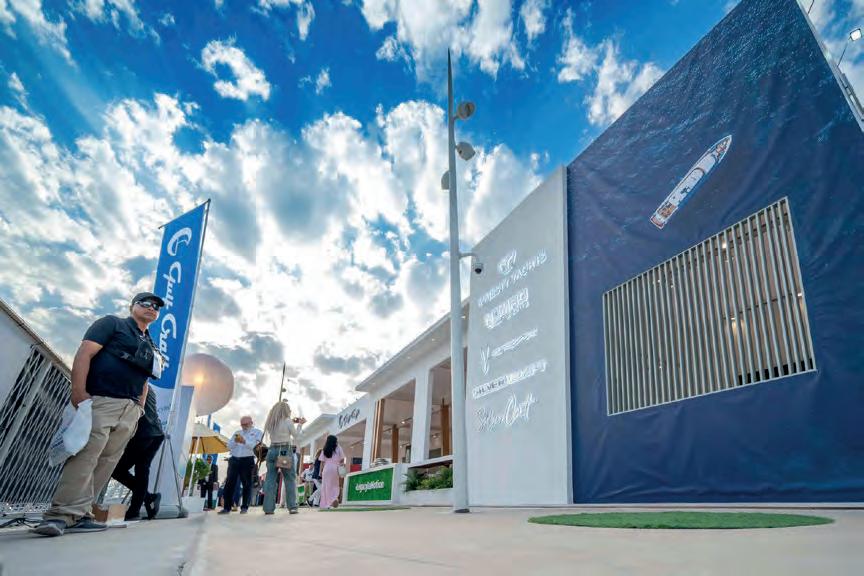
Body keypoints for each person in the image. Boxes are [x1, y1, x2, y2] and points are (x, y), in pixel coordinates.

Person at [34, 292, 165, 537]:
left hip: (129, 410)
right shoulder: (113, 324)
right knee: (86, 456)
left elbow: (145, 379)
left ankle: (82, 513)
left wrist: (139, 408)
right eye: (145, 303)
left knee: (107, 461)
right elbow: (85, 353)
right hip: (102, 400)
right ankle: (60, 515)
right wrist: (78, 391)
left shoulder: (149, 342)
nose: (151, 308)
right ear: (132, 306)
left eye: (156, 307)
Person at [110, 385, 165, 520]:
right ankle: (141, 505)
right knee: (142, 470)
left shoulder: (134, 382)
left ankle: (145, 501)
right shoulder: (147, 386)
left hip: (143, 433)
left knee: (117, 470)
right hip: (156, 433)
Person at [262, 401, 305, 515]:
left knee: (270, 479)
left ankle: (268, 508)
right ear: (286, 410)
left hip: (271, 450)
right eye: (289, 409)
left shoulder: (270, 422)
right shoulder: (287, 421)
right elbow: (296, 436)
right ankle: (292, 507)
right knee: (289, 479)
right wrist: (300, 425)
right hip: (284, 450)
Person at [219, 416, 262, 515]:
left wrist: (244, 442)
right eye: (242, 425)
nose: (244, 426)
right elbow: (229, 446)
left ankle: (244, 507)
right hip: (234, 459)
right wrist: (235, 441)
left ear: (251, 423)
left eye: (246, 424)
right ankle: (226, 508)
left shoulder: (257, 433)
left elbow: (256, 447)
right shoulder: (237, 432)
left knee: (247, 484)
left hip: (247, 459)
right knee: (229, 484)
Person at [317, 435, 344, 510]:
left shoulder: (325, 448)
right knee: (335, 485)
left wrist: (320, 472)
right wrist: (341, 466)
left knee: (326, 486)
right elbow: (342, 459)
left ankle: (326, 503)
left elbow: (322, 462)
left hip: (326, 468)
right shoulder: (338, 447)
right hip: (335, 468)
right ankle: (334, 498)